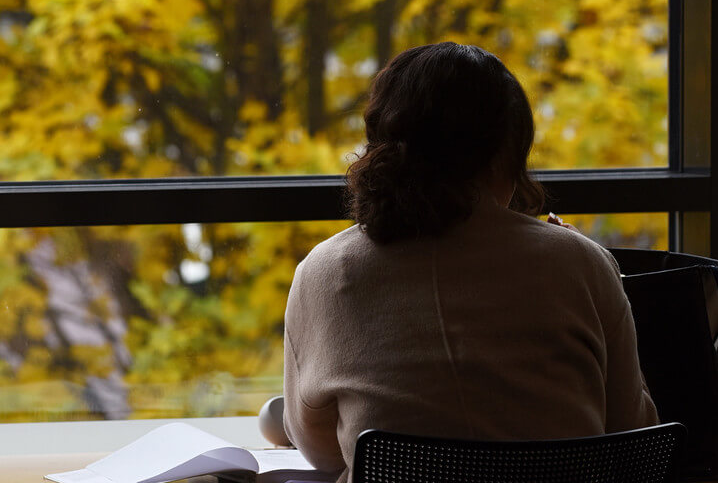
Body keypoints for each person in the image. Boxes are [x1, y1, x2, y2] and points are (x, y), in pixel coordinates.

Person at [281, 42, 658, 482]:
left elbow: (322, 452)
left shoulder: (323, 272)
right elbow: (632, 434)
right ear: (507, 153)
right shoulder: (581, 262)